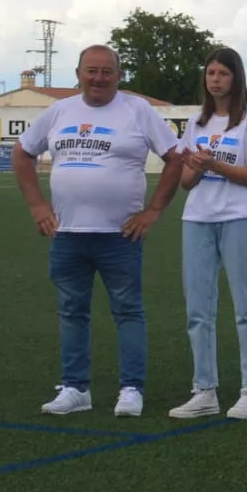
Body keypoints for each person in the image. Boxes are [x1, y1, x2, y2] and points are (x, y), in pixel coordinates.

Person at [14, 45, 185, 417]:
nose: (99, 78)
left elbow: (175, 157)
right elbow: (22, 152)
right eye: (91, 71)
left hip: (120, 234)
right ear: (77, 74)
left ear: (119, 75)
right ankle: (75, 388)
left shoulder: (137, 110)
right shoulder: (60, 111)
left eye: (107, 71)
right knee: (71, 311)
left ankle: (131, 389)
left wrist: (154, 210)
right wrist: (37, 206)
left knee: (128, 310)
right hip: (67, 233)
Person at [167, 47, 247, 421]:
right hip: (197, 220)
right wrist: (196, 167)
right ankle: (204, 389)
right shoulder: (196, 122)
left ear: (236, 78)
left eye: (222, 74)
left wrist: (214, 163)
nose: (215, 79)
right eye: (210, 73)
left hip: (239, 219)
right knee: (198, 310)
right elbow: (184, 182)